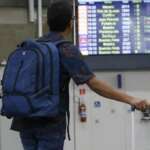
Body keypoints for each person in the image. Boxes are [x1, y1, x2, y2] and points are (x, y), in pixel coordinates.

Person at [10, 1, 150, 150]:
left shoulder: (31, 47)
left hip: (25, 120)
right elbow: (94, 84)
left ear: (47, 21)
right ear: (70, 23)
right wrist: (132, 99)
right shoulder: (65, 49)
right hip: (50, 123)